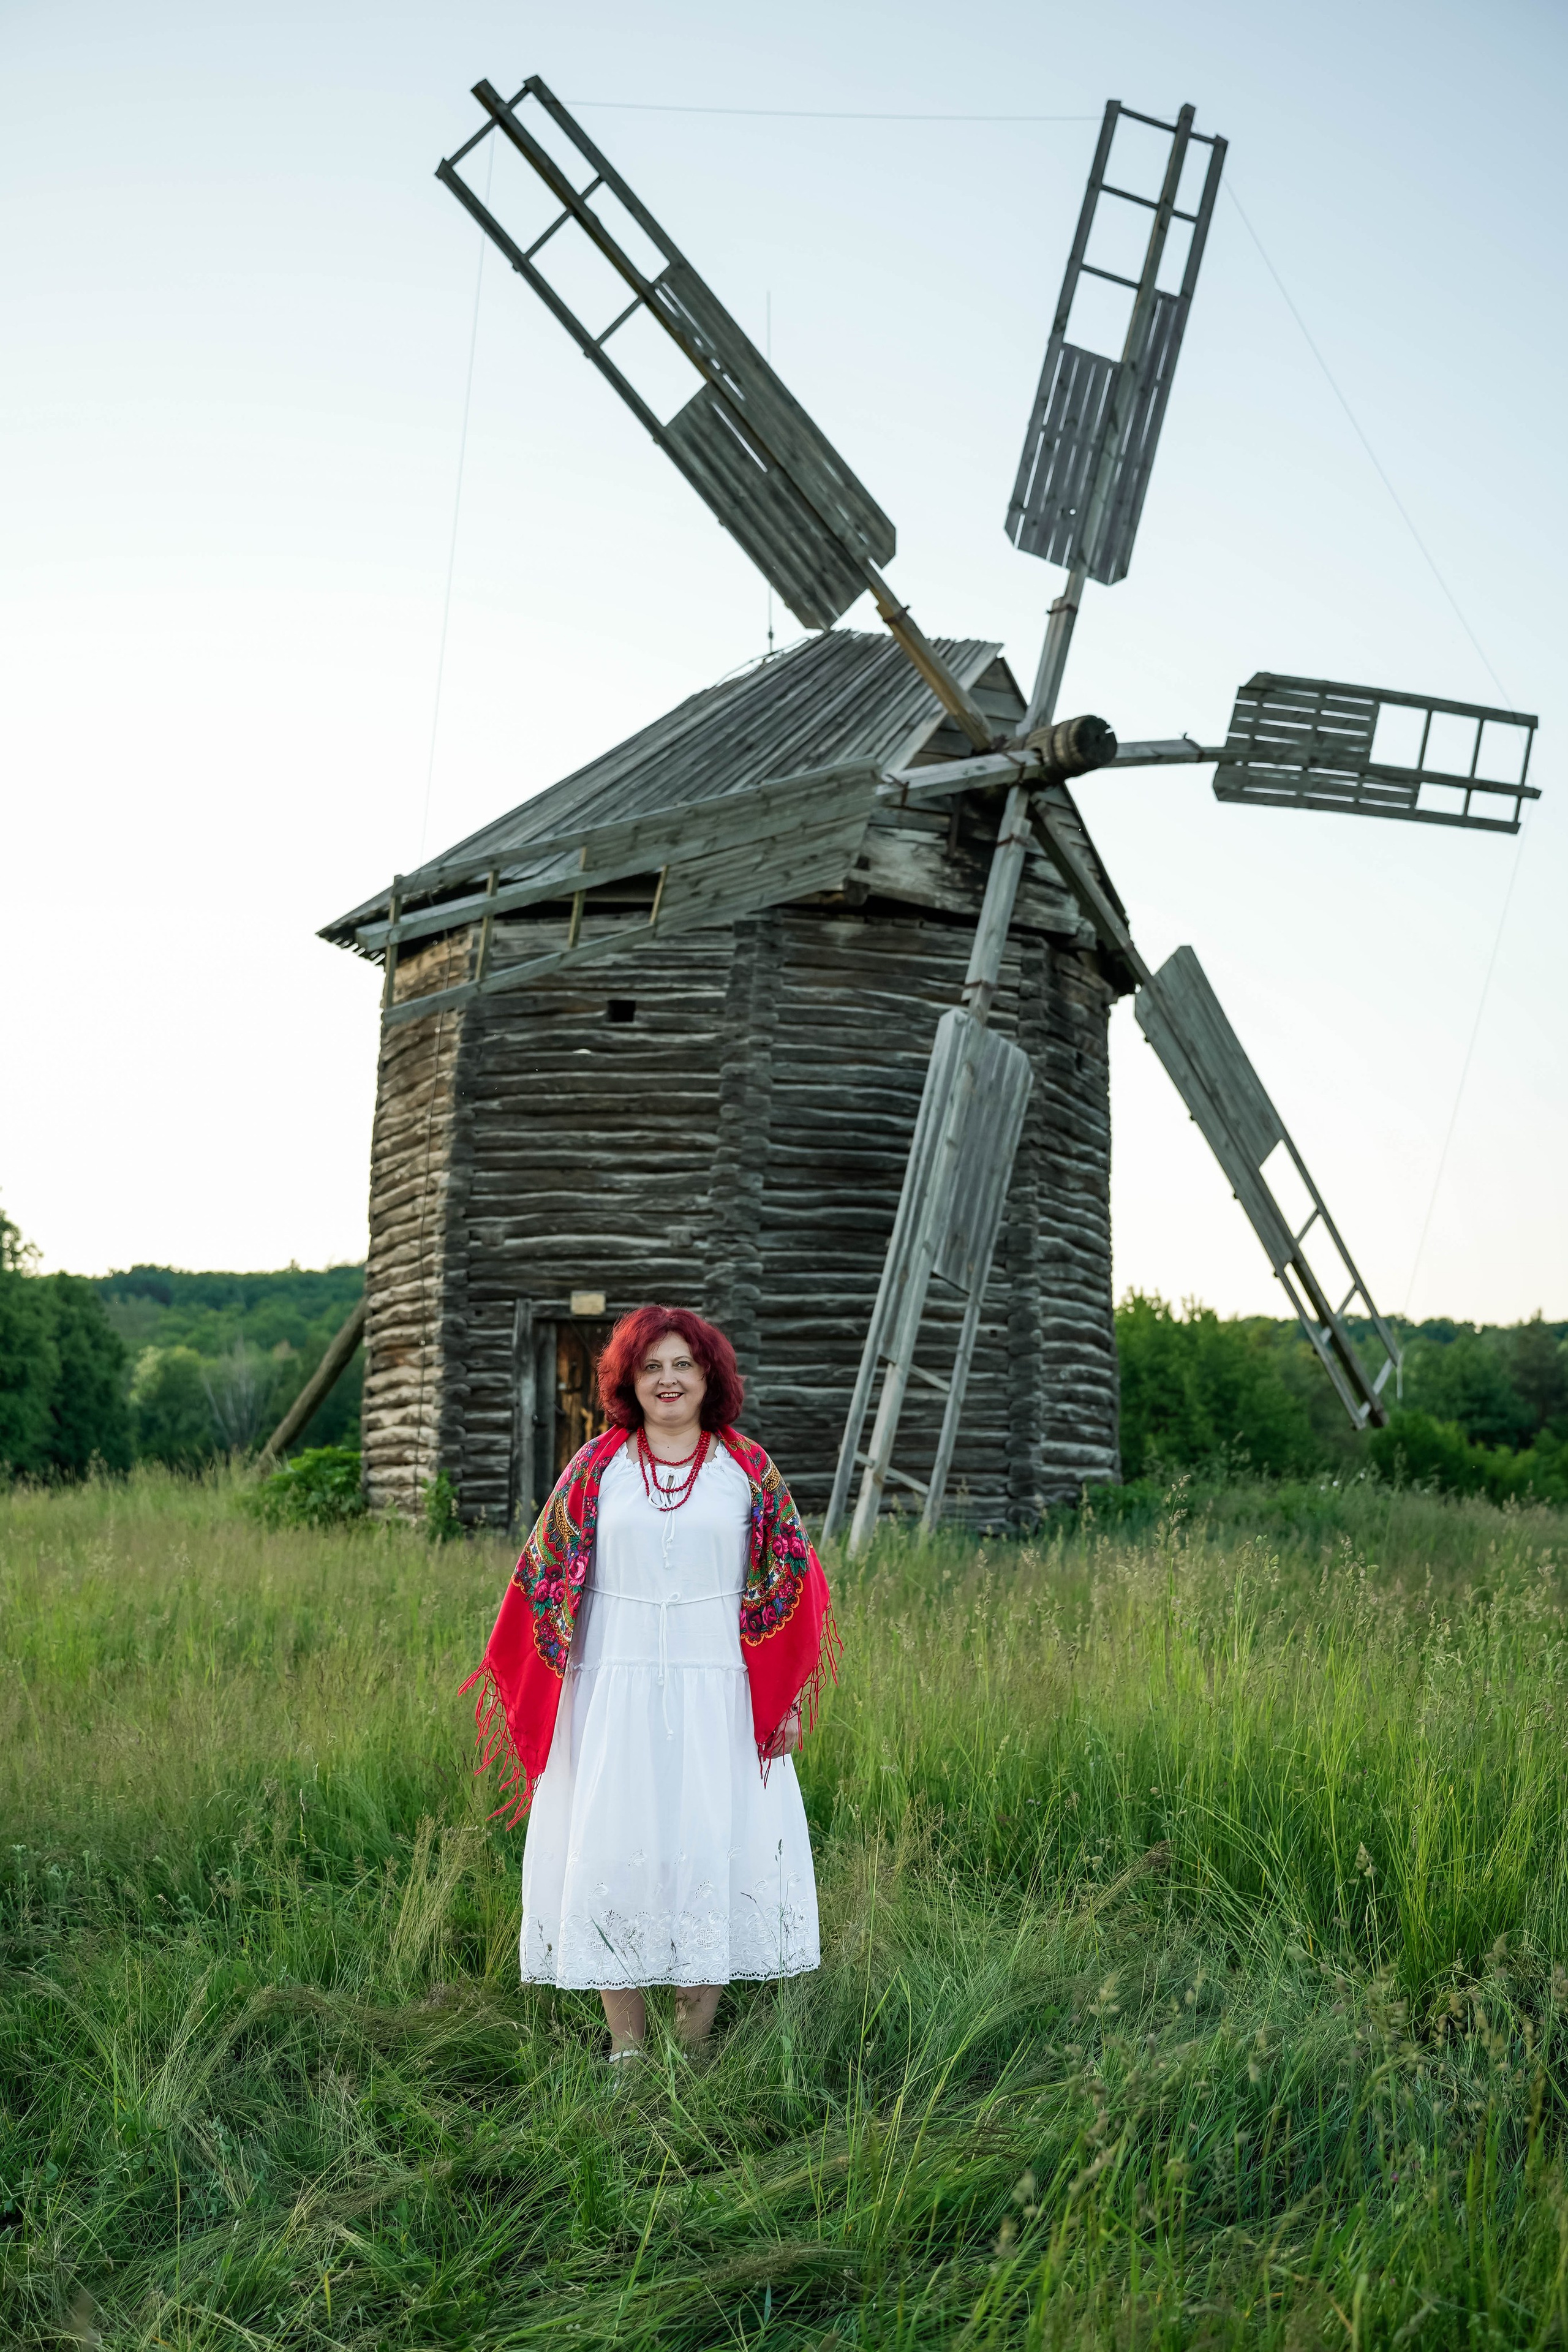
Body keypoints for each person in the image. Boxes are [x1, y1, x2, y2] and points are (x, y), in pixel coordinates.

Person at [462, 1305, 838, 2061]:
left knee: (708, 1856)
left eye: (683, 1365)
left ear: (709, 1377)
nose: (668, 1380)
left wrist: (786, 1700)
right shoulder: (595, 1468)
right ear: (628, 1382)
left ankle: (691, 2049)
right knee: (615, 1857)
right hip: (612, 1692)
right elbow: (541, 1578)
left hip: (721, 1693)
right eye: (651, 1367)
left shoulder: (748, 1471)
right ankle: (628, 2054)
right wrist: (547, 1695)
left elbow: (790, 1588)